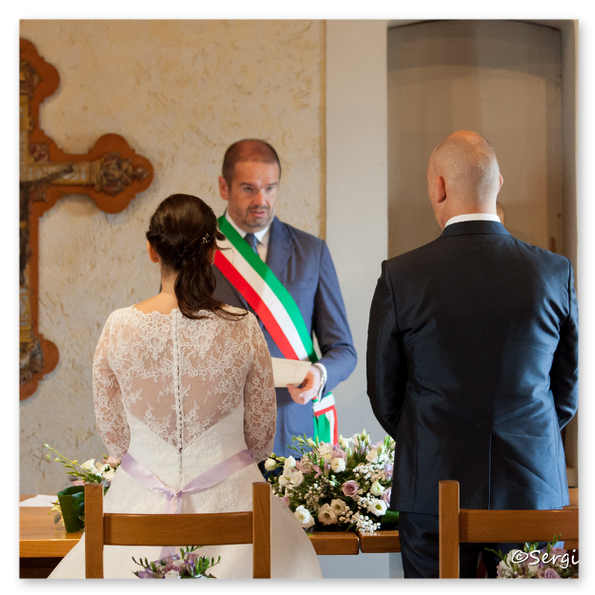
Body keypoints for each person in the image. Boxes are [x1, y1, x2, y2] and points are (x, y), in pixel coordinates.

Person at [49, 194, 322, 579]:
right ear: (212, 253)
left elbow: (115, 440)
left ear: (152, 250)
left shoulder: (118, 327)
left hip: (137, 504)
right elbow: (261, 439)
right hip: (234, 505)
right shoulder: (242, 326)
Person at [366, 131, 579, 579]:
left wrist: (427, 437)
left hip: (432, 483)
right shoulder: (553, 272)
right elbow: (568, 386)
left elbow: (383, 392)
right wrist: (530, 432)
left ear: (439, 187)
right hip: (532, 484)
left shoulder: (402, 276)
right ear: (498, 183)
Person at [212, 139, 357, 457]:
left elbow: (343, 350)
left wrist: (319, 374)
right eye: (248, 189)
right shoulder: (197, 254)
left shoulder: (311, 251)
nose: (261, 200)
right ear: (224, 187)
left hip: (293, 431)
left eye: (270, 188)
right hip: (218, 433)